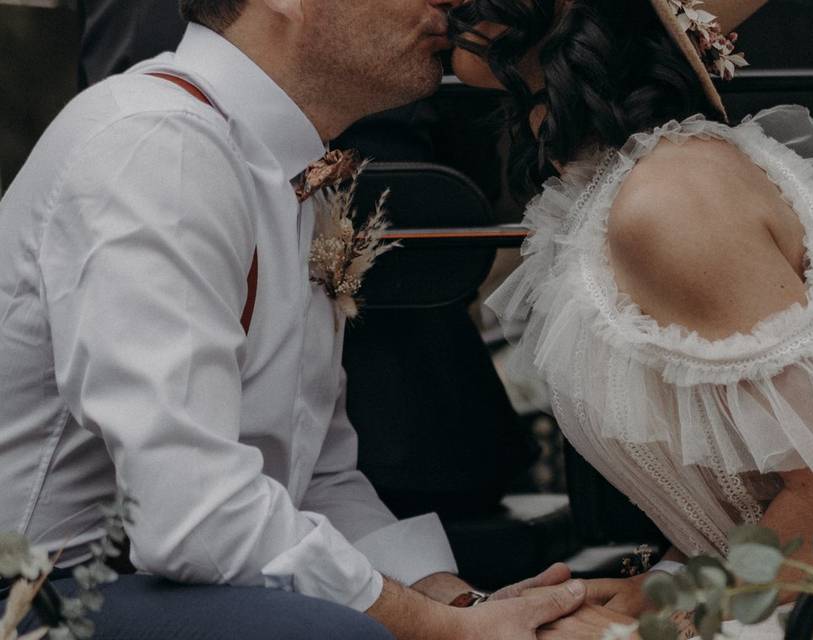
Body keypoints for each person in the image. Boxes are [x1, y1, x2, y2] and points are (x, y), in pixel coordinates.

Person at [0, 1, 595, 638]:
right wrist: (437, 633)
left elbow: (318, 480)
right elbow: (193, 518)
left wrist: (461, 606)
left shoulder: (282, 167)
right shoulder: (156, 147)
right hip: (38, 595)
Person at [449, 0, 813, 637]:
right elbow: (768, 496)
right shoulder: (616, 187)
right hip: (806, 574)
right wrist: (646, 591)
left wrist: (658, 627)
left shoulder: (670, 200)